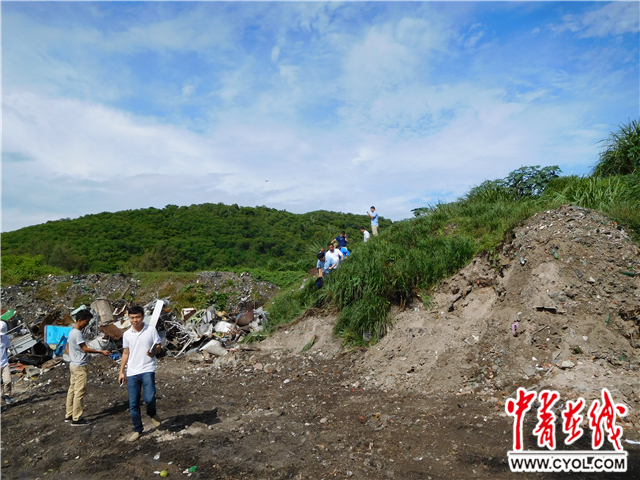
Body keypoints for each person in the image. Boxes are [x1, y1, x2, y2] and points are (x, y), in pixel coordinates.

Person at [119, 305, 163, 442]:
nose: (135, 320)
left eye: (137, 317)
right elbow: (125, 353)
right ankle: (138, 429)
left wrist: (153, 352)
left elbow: (158, 346)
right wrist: (121, 372)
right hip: (132, 371)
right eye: (132, 318)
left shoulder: (151, 330)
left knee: (149, 398)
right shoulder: (127, 334)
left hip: (147, 368)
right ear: (129, 318)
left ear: (142, 317)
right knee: (133, 403)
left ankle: (152, 413)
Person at [65, 310, 110, 426]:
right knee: (79, 391)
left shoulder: (72, 332)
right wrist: (101, 352)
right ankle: (76, 418)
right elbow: (85, 349)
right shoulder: (77, 333)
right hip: (80, 366)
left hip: (73, 364)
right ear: (80, 320)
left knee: (72, 389)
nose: (87, 324)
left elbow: (68, 347)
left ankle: (69, 414)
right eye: (86, 321)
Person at [1, 321, 14, 406]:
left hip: (4, 363)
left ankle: (6, 395)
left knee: (8, 380)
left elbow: (6, 349)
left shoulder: (6, 338)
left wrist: (5, 358)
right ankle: (2, 396)